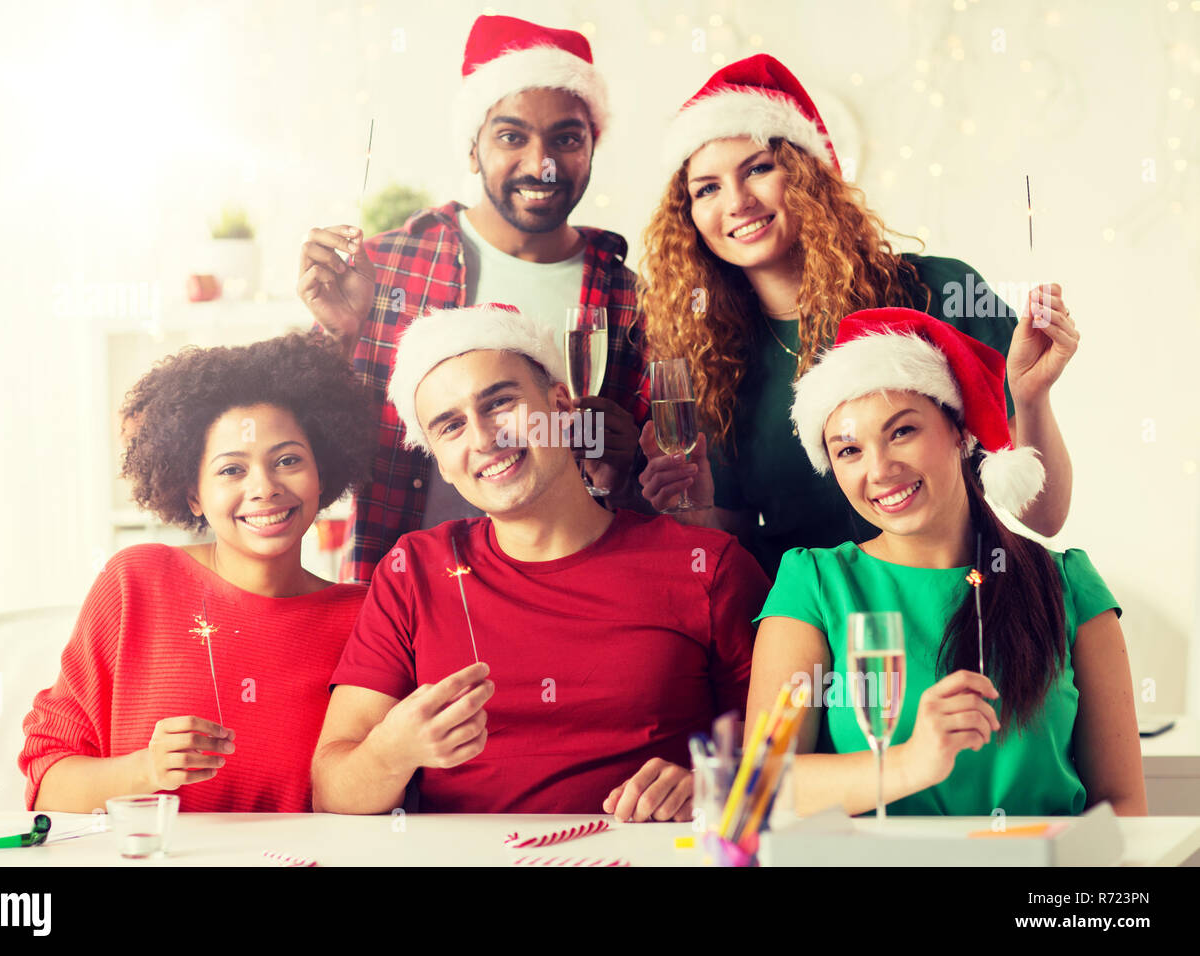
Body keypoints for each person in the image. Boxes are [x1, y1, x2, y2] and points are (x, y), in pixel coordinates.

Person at [310, 304, 768, 820]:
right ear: (437, 456)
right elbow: (332, 792)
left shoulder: (707, 565)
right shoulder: (412, 571)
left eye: (500, 402)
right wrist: (391, 752)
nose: (484, 438)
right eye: (450, 426)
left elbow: (789, 757)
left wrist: (713, 787)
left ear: (561, 406)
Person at [636, 54, 1078, 580]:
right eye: (706, 188)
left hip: (953, 599)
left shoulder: (934, 290)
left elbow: (1045, 518)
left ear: (805, 176)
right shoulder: (711, 357)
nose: (735, 201)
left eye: (757, 168)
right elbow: (732, 546)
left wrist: (1031, 396)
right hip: (807, 621)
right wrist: (694, 511)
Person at [747, 307, 1145, 817]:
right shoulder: (814, 584)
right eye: (848, 451)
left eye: (901, 432)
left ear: (960, 433)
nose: (880, 470)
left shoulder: (1069, 585)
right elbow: (764, 786)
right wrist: (911, 763)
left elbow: (1124, 805)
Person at [298, 14, 649, 585]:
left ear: (592, 147)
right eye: (512, 136)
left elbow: (648, 490)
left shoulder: (625, 297)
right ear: (472, 149)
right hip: (407, 600)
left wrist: (625, 465)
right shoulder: (386, 268)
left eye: (567, 138)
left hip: (573, 593)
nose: (542, 164)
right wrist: (338, 336)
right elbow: (305, 454)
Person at [20, 332, 376, 813]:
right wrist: (146, 768)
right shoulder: (136, 582)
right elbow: (48, 790)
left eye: (287, 461)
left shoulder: (364, 617)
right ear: (193, 495)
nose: (264, 488)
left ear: (322, 474)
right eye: (232, 470)